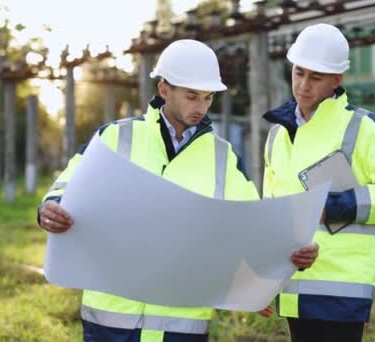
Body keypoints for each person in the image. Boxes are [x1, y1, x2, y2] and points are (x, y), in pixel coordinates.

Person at [37, 39, 319, 342]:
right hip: (111, 320)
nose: (201, 107)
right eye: (192, 96)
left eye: (208, 98)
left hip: (181, 326)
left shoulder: (222, 157)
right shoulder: (116, 137)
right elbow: (64, 188)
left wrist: (287, 254)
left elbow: (254, 227)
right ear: (164, 89)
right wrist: (49, 209)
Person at [261, 24, 375, 341]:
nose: (303, 85)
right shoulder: (277, 134)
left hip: (341, 289)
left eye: (315, 77)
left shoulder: (367, 128)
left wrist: (333, 207)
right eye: (299, 72)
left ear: (336, 80)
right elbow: (270, 212)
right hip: (292, 285)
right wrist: (262, 279)